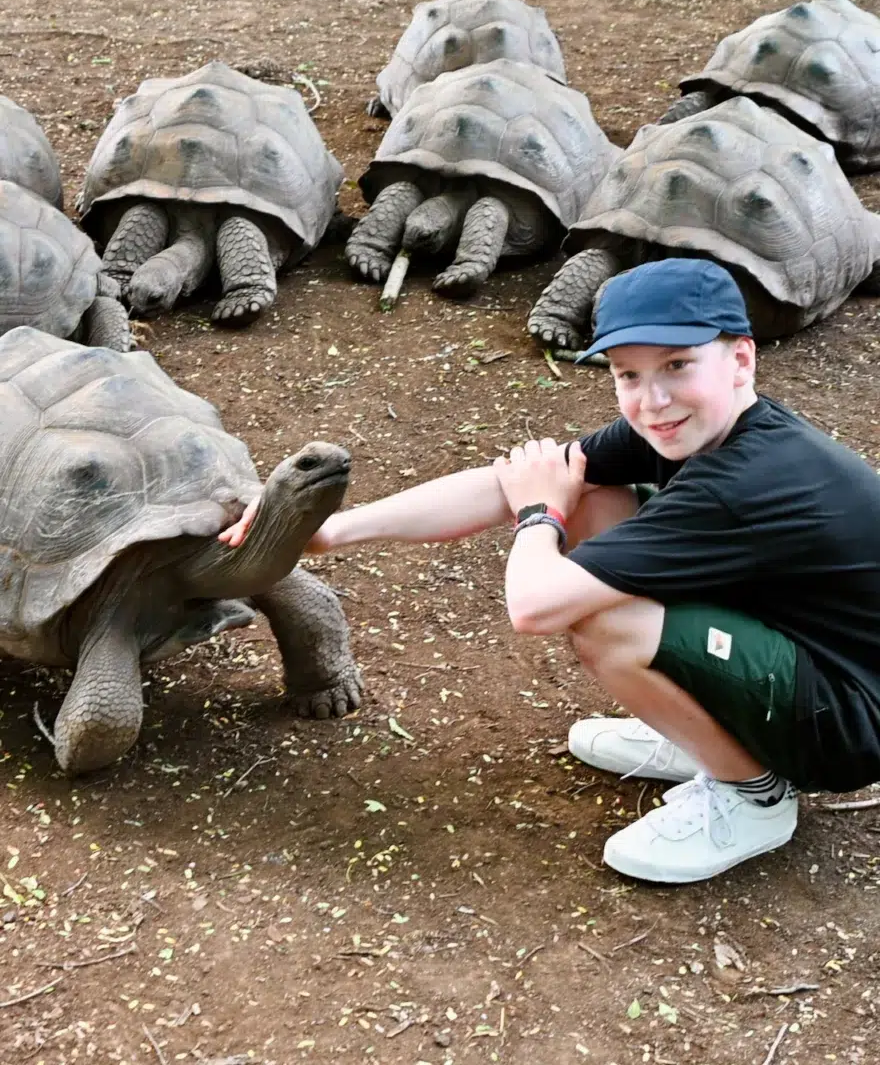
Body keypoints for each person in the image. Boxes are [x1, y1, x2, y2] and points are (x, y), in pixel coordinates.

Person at [220, 258, 880, 884]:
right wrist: (331, 530)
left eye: (678, 366)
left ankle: (753, 794)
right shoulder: (703, 428)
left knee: (603, 617)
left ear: (741, 358)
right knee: (594, 495)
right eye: (627, 375)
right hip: (800, 640)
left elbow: (534, 606)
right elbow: (505, 482)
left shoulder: (742, 482)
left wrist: (542, 516)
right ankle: (701, 734)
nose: (652, 400)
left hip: (847, 718)